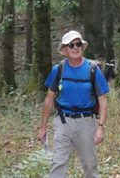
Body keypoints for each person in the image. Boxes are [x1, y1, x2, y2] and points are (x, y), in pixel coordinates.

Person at [37, 30, 109, 178]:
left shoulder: (93, 70)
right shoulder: (59, 70)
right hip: (63, 122)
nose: (75, 47)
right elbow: (49, 99)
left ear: (82, 47)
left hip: (86, 122)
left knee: (90, 164)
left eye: (78, 44)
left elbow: (103, 101)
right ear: (64, 50)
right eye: (71, 45)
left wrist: (101, 127)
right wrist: (43, 127)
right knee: (58, 163)